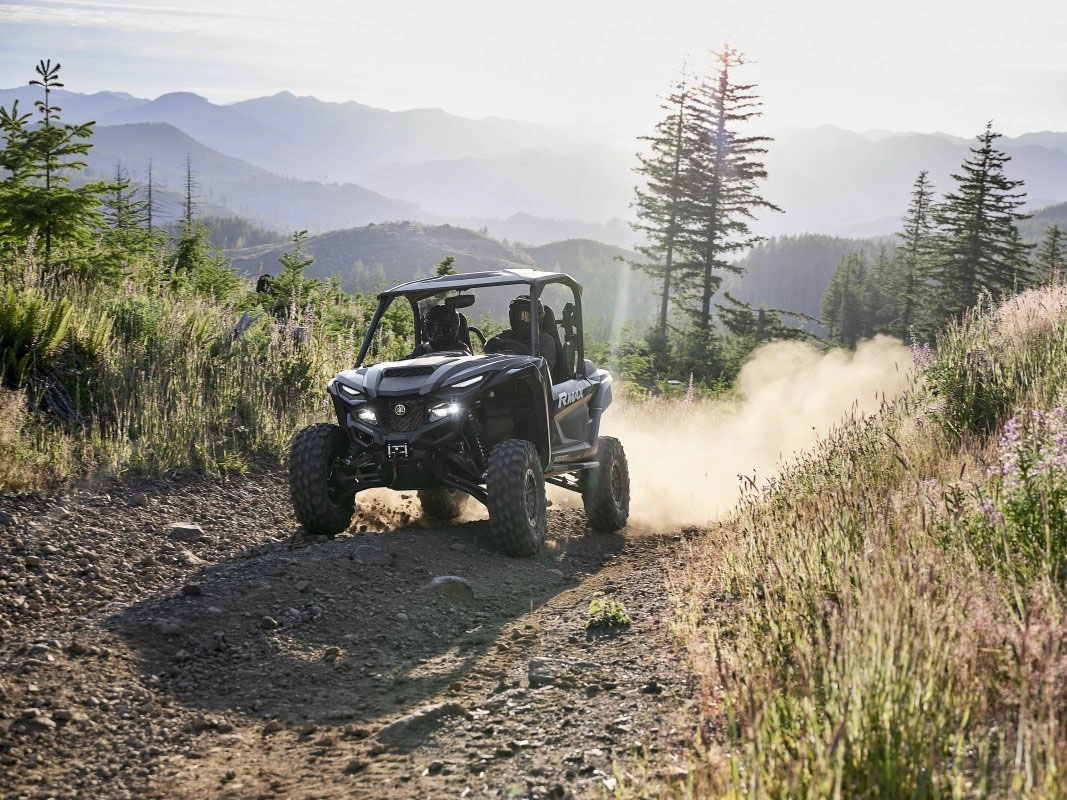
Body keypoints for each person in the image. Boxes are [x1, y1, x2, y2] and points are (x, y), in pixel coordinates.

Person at [485, 295, 557, 370]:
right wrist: (490, 347)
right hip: (503, 379)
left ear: (537, 319)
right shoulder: (505, 336)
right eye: (516, 316)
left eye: (526, 317)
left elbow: (544, 370)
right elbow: (487, 358)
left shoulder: (545, 341)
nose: (520, 322)